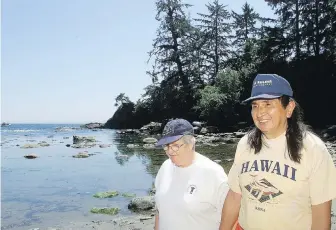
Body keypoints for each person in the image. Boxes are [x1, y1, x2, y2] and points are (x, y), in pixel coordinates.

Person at [220, 73, 336, 230]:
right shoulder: (245, 144)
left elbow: (321, 216)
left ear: (289, 108)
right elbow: (234, 196)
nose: (260, 112)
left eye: (267, 104)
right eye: (255, 105)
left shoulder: (313, 149)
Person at [153, 118, 229, 230]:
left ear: (191, 143)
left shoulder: (213, 173)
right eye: (166, 146)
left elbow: (230, 218)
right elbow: (159, 211)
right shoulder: (165, 167)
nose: (169, 151)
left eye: (175, 145)